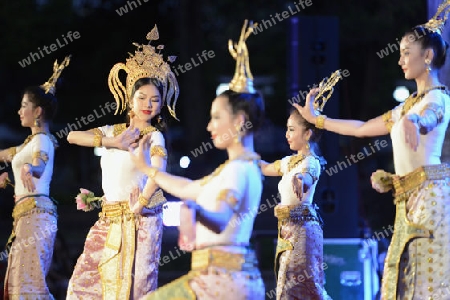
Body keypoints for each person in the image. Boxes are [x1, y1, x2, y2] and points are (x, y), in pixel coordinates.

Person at [294, 3, 450, 299]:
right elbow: (362, 127)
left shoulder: (437, 99)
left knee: (426, 278)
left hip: (430, 199)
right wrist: (318, 120)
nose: (401, 60)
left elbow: (430, 116)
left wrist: (417, 121)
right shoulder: (406, 106)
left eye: (406, 52)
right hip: (409, 199)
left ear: (427, 56)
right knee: (403, 276)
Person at [131, 20, 266, 300]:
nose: (209, 126)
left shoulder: (239, 170)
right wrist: (146, 168)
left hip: (219, 283)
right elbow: (185, 187)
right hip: (220, 280)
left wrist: (194, 209)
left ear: (240, 121)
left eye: (217, 117)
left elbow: (219, 219)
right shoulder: (232, 169)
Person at [66, 25, 179, 299]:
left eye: (155, 99)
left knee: (137, 286)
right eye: (142, 97)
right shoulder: (111, 131)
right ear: (130, 98)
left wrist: (140, 205)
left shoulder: (154, 137)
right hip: (109, 218)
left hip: (142, 220)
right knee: (88, 282)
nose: (148, 104)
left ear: (162, 105)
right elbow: (71, 136)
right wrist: (111, 143)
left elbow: (157, 173)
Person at [0, 56, 70, 299]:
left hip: (36, 217)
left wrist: (30, 170)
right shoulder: (27, 144)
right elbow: (5, 155)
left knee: (28, 284)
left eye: (24, 106)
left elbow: (39, 166)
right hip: (28, 217)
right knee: (22, 282)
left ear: (37, 111)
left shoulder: (42, 140)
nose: (19, 111)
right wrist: (8, 180)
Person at [259, 108, 331, 300]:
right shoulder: (289, 162)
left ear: (307, 134)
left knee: (300, 286)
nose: (286, 134)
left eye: (291, 130)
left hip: (303, 231)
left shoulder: (311, 162)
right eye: (287, 129)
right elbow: (265, 168)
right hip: (288, 231)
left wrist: (302, 179)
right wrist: (243, 155)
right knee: (290, 286)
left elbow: (307, 176)